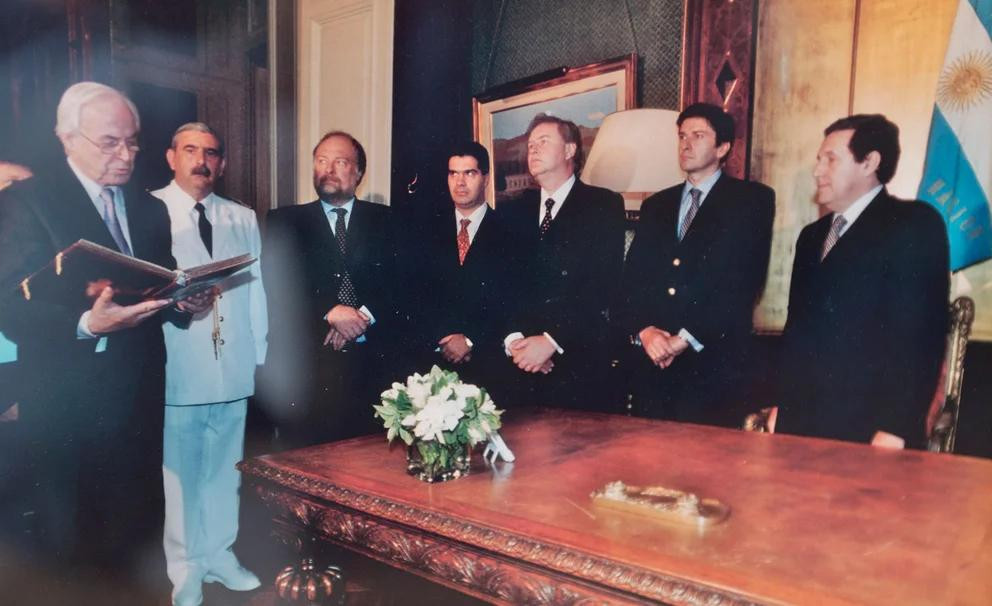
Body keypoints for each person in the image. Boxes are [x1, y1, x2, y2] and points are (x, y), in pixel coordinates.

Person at [0, 82, 209, 593]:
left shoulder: (148, 208)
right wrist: (86, 324)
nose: (128, 155)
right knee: (75, 552)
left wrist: (182, 303)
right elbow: (8, 304)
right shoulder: (27, 201)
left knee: (138, 537)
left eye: (134, 142)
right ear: (67, 139)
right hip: (68, 407)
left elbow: (156, 284)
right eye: (111, 142)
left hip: (138, 399)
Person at [776, 114, 949, 448]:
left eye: (831, 159)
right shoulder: (811, 237)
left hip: (870, 430)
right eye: (818, 160)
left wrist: (896, 427)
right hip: (801, 426)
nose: (817, 171)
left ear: (869, 162)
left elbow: (919, 338)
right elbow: (796, 333)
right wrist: (781, 408)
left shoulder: (912, 225)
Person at [152, 122, 267, 605]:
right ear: (171, 156)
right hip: (180, 362)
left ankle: (220, 554)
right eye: (191, 150)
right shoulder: (152, 209)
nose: (202, 161)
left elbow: (258, 289)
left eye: (212, 153)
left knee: (227, 468)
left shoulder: (241, 216)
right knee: (182, 471)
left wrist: (257, 353)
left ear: (222, 162)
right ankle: (186, 568)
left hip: (233, 362)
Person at [621, 103, 775, 427]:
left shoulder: (751, 201)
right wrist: (646, 332)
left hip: (712, 366)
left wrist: (683, 339)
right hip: (654, 367)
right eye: (681, 136)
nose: (686, 144)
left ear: (723, 147)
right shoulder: (656, 205)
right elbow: (633, 279)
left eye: (698, 135)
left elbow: (743, 282)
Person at [261, 130, 395, 447]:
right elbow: (277, 286)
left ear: (358, 172)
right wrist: (331, 311)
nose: (328, 169)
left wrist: (360, 316)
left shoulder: (388, 220)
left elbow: (401, 281)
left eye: (339, 161)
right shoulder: (285, 221)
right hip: (311, 371)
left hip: (372, 367)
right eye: (321, 160)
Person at [500, 114, 626, 411]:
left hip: (575, 362)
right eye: (530, 144)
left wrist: (550, 341)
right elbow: (502, 284)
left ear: (570, 151)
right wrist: (516, 341)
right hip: (519, 367)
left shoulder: (602, 205)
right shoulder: (513, 211)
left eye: (543, 142)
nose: (533, 150)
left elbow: (601, 284)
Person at [399, 142, 519, 398]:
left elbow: (513, 301)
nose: (460, 182)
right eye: (453, 173)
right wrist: (443, 337)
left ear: (485, 178)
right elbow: (411, 293)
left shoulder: (511, 233)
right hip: (432, 366)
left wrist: (469, 339)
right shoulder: (424, 231)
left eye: (469, 173)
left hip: (489, 368)